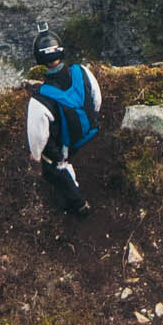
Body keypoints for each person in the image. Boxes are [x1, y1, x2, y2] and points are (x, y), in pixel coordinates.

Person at [26, 31, 101, 218]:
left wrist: (36, 155)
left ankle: (78, 204)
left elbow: (38, 137)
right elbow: (96, 100)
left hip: (64, 143)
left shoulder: (40, 99)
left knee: (52, 168)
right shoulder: (83, 72)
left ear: (39, 58)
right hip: (87, 131)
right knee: (67, 153)